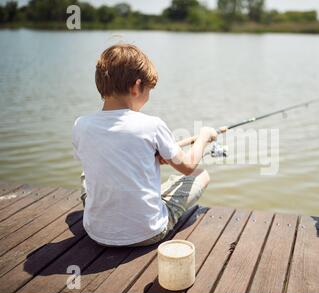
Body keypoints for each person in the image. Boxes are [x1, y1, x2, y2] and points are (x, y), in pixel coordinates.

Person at [72, 44, 219, 247]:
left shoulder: (81, 125)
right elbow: (188, 167)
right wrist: (204, 136)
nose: (148, 97)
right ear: (136, 86)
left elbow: (111, 155)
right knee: (202, 174)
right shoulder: (152, 125)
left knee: (86, 173)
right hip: (149, 233)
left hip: (96, 233)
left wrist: (148, 156)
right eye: (148, 90)